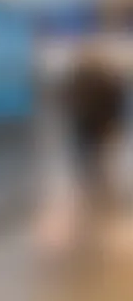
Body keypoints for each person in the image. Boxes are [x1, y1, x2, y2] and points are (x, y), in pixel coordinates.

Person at [63, 47, 126, 200]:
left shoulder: (91, 81)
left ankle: (97, 191)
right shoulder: (98, 81)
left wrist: (113, 124)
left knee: (93, 160)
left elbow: (114, 104)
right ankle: (97, 190)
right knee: (95, 160)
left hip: (93, 126)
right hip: (92, 126)